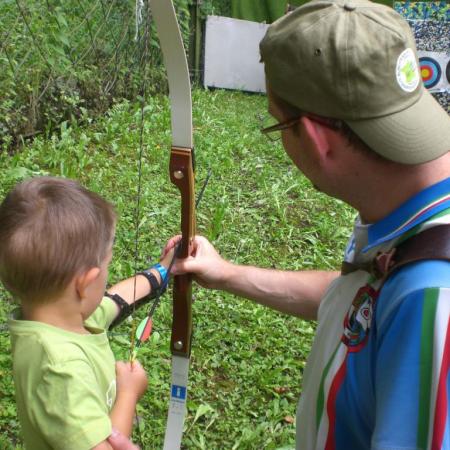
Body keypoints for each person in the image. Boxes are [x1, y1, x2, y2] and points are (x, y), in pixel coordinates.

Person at [164, 0, 450, 448]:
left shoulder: (432, 297)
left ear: (316, 139)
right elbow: (361, 302)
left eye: (279, 125)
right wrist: (228, 275)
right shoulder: (408, 208)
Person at [0, 176, 172, 450]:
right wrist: (128, 393)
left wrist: (163, 270)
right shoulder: (60, 372)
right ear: (86, 283)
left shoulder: (59, 314)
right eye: (107, 262)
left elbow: (118, 299)